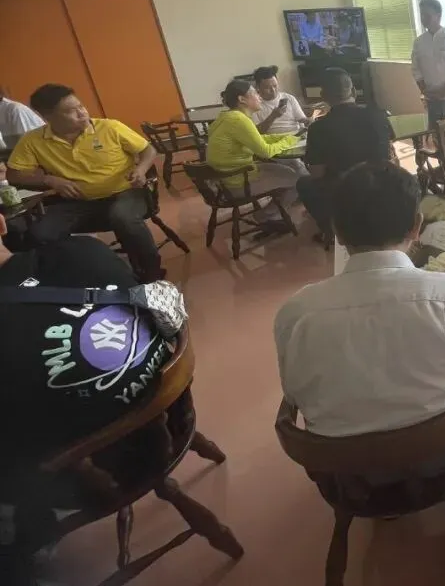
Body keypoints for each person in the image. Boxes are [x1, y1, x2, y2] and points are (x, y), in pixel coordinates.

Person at [274, 161, 445, 437]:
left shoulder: (296, 312)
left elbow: (294, 393)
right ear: (416, 226)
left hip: (340, 461)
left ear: (337, 232)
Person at [0, 229, 179, 582]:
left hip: (107, 469)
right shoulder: (85, 248)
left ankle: (27, 541)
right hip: (169, 409)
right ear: (2, 224)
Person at [5, 84, 163, 282]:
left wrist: (140, 169)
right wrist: (49, 179)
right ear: (47, 116)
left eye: (81, 106)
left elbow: (148, 150)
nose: (82, 113)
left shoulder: (109, 127)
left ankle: (151, 272)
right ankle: (73, 276)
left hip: (126, 193)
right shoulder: (33, 141)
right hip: (78, 202)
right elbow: (14, 175)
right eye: (71, 111)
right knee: (41, 233)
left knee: (123, 217)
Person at [296, 68, 392, 243]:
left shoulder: (318, 128)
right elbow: (390, 152)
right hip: (382, 181)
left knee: (304, 183)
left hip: (344, 189)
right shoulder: (378, 115)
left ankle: (332, 231)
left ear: (323, 96)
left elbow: (317, 173)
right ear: (353, 91)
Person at [206, 79, 302, 230]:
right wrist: (290, 140)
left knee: (287, 171)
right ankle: (268, 216)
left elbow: (258, 138)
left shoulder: (227, 116)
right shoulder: (239, 120)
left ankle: (271, 212)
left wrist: (285, 136)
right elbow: (265, 151)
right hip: (237, 182)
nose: (259, 96)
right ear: (242, 99)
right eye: (255, 93)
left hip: (226, 179)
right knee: (299, 180)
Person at [250, 65, 309, 135]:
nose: (273, 90)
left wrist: (308, 121)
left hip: (296, 135)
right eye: (267, 88)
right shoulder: (254, 104)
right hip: (275, 139)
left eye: (275, 86)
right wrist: (273, 116)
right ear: (258, 87)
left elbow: (301, 119)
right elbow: (257, 132)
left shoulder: (289, 98)